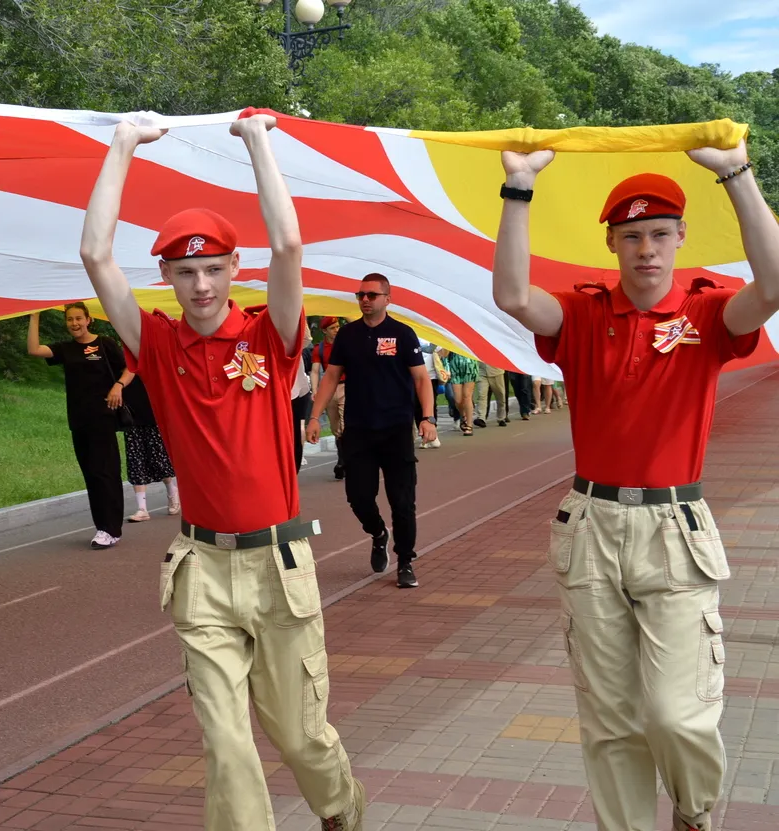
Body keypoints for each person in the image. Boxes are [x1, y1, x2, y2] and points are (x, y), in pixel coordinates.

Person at [78, 111, 366, 831]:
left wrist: (258, 142)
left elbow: (289, 244)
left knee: (300, 736)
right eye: (185, 272)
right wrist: (122, 144)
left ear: (236, 269)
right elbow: (95, 254)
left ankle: (341, 810)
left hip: (278, 563)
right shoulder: (156, 344)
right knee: (227, 744)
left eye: (213, 269)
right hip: (201, 568)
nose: (201, 285)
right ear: (167, 278)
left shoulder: (271, 336)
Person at [492, 140, 779, 831]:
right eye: (630, 236)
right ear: (612, 244)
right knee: (611, 718)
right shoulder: (583, 313)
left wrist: (736, 172)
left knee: (679, 715)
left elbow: (773, 287)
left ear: (680, 237)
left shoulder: (709, 315)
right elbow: (511, 296)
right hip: (591, 526)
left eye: (658, 234)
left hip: (674, 530)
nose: (646, 249)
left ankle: (693, 812)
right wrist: (519, 188)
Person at [307, 274, 437, 588]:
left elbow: (421, 379)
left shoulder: (402, 334)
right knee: (358, 496)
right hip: (359, 430)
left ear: (387, 299)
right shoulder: (348, 335)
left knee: (402, 501)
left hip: (395, 430)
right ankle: (378, 533)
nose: (365, 300)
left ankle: (405, 561)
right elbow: (331, 377)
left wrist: (428, 418)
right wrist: (314, 417)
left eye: (372, 295)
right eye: (361, 295)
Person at [27, 305, 126, 549]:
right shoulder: (66, 348)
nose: (74, 323)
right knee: (91, 474)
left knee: (106, 472)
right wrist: (34, 314)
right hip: (79, 421)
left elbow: (131, 366)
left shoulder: (104, 343)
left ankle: (111, 528)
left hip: (103, 418)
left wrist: (119, 386)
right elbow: (34, 349)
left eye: (79, 318)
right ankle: (103, 527)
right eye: (70, 319)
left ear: (88, 319)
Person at [115, 364, 181, 523]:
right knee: (135, 460)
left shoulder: (150, 359)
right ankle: (142, 508)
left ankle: (172, 491)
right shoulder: (119, 361)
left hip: (153, 411)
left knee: (159, 459)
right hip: (131, 414)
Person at [310, 316, 345, 478]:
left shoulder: (345, 344)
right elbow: (315, 371)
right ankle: (342, 457)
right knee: (335, 427)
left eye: (337, 326)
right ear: (324, 331)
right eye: (332, 328)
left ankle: (345, 462)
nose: (337, 330)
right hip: (329, 389)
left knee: (346, 424)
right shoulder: (320, 349)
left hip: (347, 386)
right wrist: (315, 390)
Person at [292, 320, 314, 470]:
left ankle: (293, 468)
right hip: (293, 387)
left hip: (295, 388)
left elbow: (306, 338)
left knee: (296, 428)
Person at [474, 361, 508, 428]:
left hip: (496, 372)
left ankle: (501, 418)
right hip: (482, 372)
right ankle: (481, 418)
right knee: (481, 395)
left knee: (500, 396)